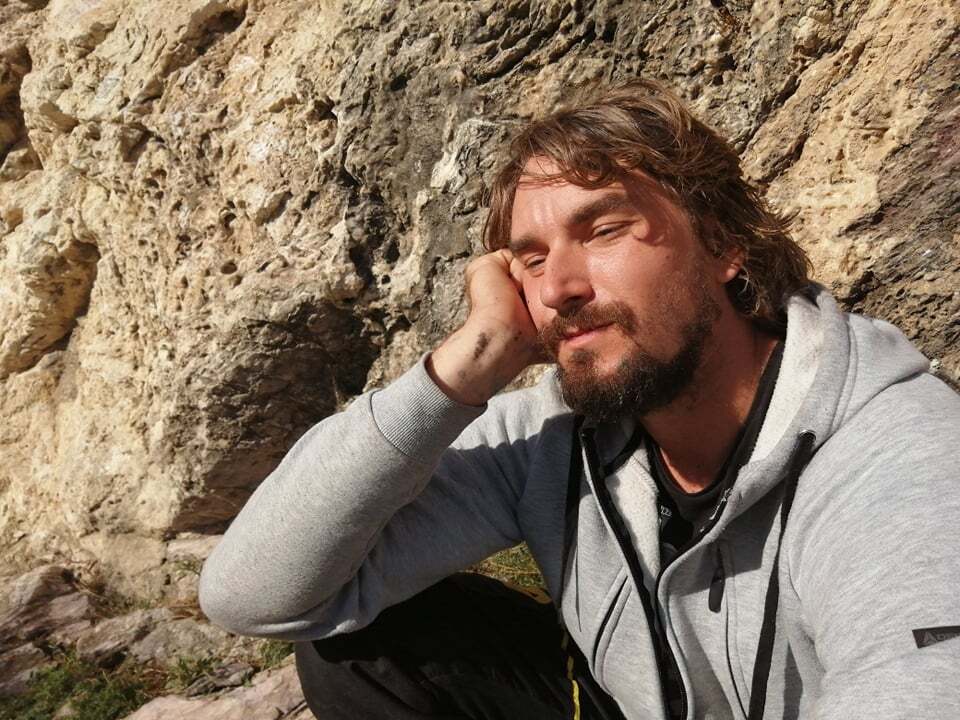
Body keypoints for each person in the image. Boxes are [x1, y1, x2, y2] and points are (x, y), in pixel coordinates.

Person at [198, 80, 960, 720]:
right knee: (369, 646)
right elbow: (255, 596)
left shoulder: (898, 458)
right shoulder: (557, 435)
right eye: (531, 260)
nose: (559, 287)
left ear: (724, 244)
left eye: (603, 230)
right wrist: (464, 369)